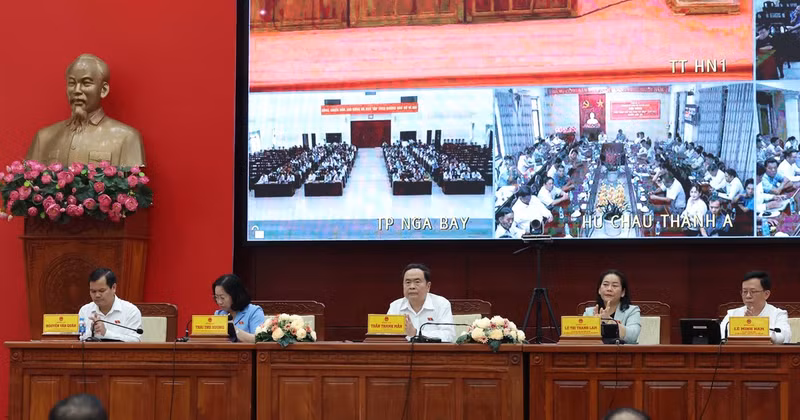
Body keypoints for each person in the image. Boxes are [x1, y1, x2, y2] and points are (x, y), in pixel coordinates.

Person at [26, 54, 145, 167]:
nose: (77, 90)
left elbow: (132, 180)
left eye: (86, 83)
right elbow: (28, 178)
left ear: (103, 90)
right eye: (72, 83)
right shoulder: (43, 138)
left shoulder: (127, 138)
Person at [387, 264, 455, 342]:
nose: (412, 286)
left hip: (432, 349)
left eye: (417, 282)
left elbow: (448, 335)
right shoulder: (395, 306)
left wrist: (416, 333)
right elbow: (387, 334)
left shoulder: (441, 304)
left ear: (428, 286)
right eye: (408, 282)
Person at [721, 271, 791, 344]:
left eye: (753, 291)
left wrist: (755, 325)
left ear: (766, 294)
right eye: (745, 291)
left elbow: (785, 338)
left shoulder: (778, 314)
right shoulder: (732, 314)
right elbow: (721, 336)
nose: (748, 296)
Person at [78, 268, 142, 342]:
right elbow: (78, 338)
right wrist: (91, 332)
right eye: (93, 291)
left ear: (113, 288)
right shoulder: (85, 310)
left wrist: (106, 333)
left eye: (101, 291)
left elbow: (135, 341)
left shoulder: (131, 311)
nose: (97, 295)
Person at [583, 270, 641, 344]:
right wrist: (593, 324)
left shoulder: (632, 311)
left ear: (623, 292)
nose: (609, 289)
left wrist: (610, 321)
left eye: (615, 286)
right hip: (595, 350)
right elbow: (582, 337)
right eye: (605, 284)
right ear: (599, 290)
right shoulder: (589, 312)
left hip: (622, 350)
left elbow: (633, 337)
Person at [212, 274, 265, 343]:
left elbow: (258, 339)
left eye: (222, 298)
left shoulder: (254, 311)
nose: (219, 302)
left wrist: (234, 330)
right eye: (216, 297)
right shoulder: (219, 314)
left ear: (235, 295)